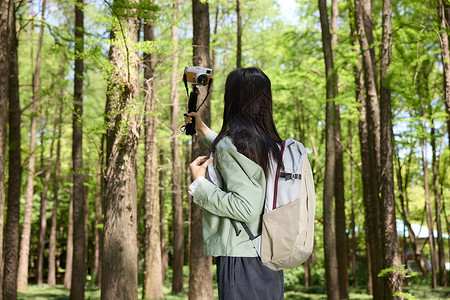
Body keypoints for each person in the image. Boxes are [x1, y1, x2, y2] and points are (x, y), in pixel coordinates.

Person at [185, 67, 284, 300]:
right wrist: (203, 129)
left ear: (233, 99)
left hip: (241, 259)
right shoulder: (272, 145)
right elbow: (243, 162)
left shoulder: (231, 146)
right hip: (268, 255)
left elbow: (246, 208)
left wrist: (200, 184)